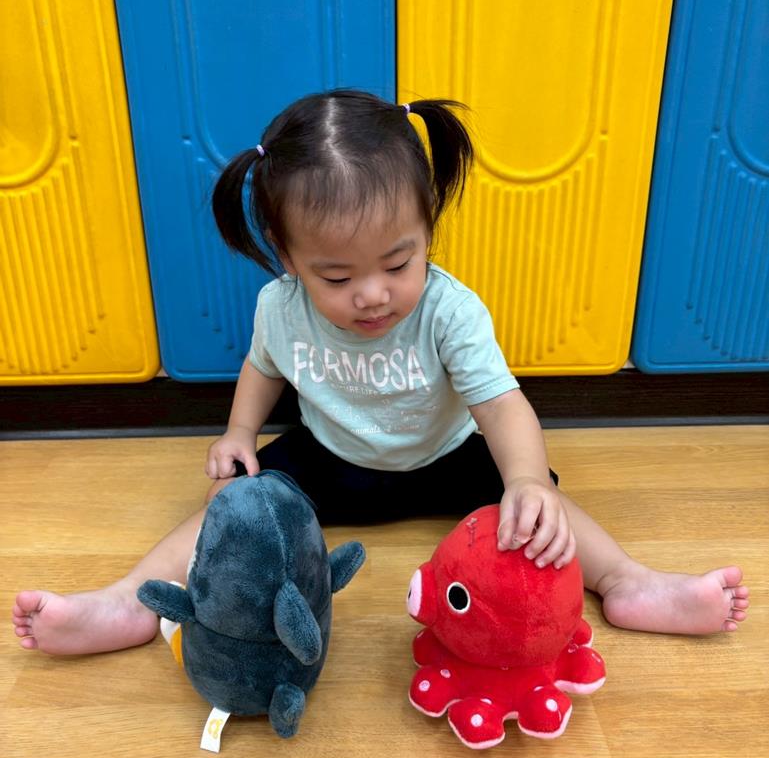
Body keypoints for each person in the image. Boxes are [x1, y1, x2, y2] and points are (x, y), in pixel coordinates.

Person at [13, 90, 749, 655]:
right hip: (331, 458)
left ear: (426, 228)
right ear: (286, 255)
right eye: (336, 277)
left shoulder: (449, 310)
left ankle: (626, 581)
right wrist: (239, 432)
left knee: (537, 509)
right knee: (233, 506)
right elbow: (262, 366)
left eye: (398, 263)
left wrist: (527, 479)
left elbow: (500, 405)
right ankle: (131, 600)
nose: (372, 295)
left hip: (446, 457)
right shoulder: (279, 307)